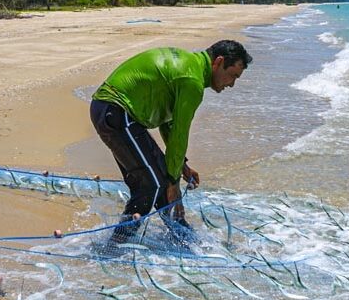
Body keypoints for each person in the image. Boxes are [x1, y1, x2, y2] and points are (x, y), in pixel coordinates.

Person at [90, 40, 252, 246]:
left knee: (156, 183)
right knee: (153, 185)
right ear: (219, 62)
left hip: (114, 113)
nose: (232, 84)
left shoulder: (192, 67)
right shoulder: (192, 80)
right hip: (115, 110)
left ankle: (183, 239)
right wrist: (174, 182)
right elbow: (179, 134)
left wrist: (181, 167)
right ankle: (114, 247)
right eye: (233, 76)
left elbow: (168, 125)